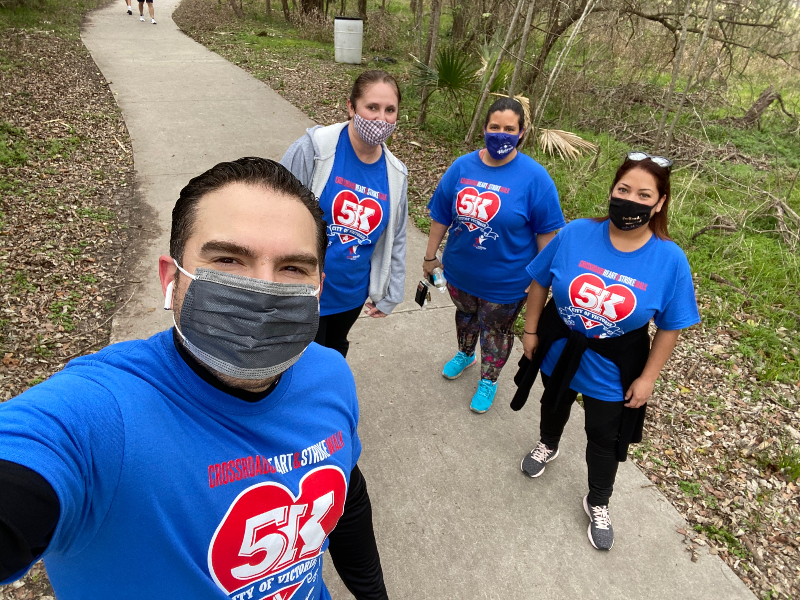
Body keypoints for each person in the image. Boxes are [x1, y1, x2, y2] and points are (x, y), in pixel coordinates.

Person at [0, 158, 388, 600]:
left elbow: (346, 491)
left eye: (293, 268)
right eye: (228, 259)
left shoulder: (329, 374)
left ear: (318, 286)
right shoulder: (102, 415)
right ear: (171, 277)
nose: (263, 290)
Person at [514, 152, 701, 551]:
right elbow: (540, 282)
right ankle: (549, 443)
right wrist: (530, 331)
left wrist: (648, 378)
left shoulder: (669, 259)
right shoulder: (577, 232)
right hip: (559, 348)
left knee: (604, 435)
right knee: (553, 402)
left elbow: (671, 325)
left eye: (644, 195)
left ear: (660, 203)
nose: (631, 200)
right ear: (612, 190)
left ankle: (598, 499)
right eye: (624, 189)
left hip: (613, 367)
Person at [423, 97, 565, 414]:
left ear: (521, 133)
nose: (501, 134)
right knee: (465, 316)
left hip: (507, 281)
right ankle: (465, 353)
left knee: (496, 331)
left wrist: (541, 278)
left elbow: (547, 233)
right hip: (460, 272)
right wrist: (430, 256)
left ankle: (489, 379)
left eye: (509, 129)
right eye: (495, 127)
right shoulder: (462, 167)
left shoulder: (535, 178)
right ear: (485, 128)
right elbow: (441, 214)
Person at [281, 70, 407, 358]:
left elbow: (396, 237)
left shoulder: (395, 174)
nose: (381, 119)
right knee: (299, 361)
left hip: (351, 294)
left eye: (390, 110)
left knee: (335, 352)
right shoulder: (314, 151)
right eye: (372, 107)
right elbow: (274, 210)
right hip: (303, 291)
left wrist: (392, 291)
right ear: (351, 107)